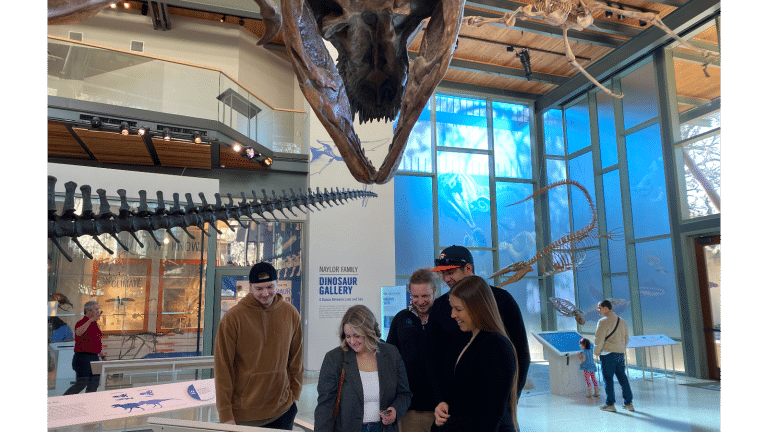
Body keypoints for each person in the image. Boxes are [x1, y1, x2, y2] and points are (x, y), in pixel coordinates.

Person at [427, 246, 530, 404]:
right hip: (454, 404)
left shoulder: (502, 301)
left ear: (468, 268)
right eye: (443, 274)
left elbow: (521, 353)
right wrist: (440, 400)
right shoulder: (440, 307)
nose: (446, 279)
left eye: (450, 272)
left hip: (496, 401)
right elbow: (433, 359)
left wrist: (512, 397)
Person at [214, 262, 304, 428]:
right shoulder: (232, 319)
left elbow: (296, 360)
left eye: (270, 287)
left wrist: (295, 396)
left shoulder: (291, 314)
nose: (265, 293)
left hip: (283, 410)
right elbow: (223, 369)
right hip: (245, 415)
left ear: (277, 284)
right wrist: (225, 414)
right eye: (259, 288)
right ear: (250, 287)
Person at [433, 275, 518, 432]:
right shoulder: (472, 339)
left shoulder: (495, 345)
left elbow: (493, 414)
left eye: (458, 309)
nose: (452, 315)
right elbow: (471, 395)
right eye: (452, 308)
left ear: (477, 308)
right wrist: (446, 405)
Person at [315, 305, 412, 432]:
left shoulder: (391, 354)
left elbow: (404, 394)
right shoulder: (334, 358)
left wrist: (395, 410)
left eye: (357, 335)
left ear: (368, 332)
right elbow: (325, 406)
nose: (352, 341)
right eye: (347, 336)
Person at [386, 269, 440, 432]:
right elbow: (390, 359)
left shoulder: (447, 318)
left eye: (425, 296)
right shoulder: (401, 319)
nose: (420, 301)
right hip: (410, 408)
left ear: (434, 291)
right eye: (415, 296)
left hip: (442, 407)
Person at [594, 300, 634, 412]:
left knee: (608, 379)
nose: (598, 310)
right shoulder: (622, 321)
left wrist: (596, 352)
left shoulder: (603, 322)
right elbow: (626, 338)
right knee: (623, 378)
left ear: (606, 308)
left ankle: (610, 404)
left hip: (607, 354)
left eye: (599, 308)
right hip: (620, 354)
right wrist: (620, 348)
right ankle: (629, 403)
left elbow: (599, 339)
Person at [63, 300, 106, 394]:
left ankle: (88, 404)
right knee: (82, 383)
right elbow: (78, 333)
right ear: (88, 311)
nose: (98, 311)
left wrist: (102, 355)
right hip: (83, 358)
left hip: (94, 357)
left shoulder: (95, 325)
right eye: (96, 309)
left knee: (94, 384)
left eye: (98, 309)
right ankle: (62, 401)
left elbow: (94, 342)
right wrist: (90, 320)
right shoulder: (81, 323)